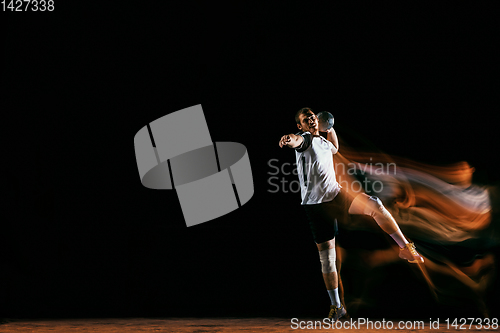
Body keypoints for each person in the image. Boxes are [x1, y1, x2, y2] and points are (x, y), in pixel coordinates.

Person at [278, 107, 424, 321]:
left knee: (375, 204)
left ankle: (405, 248)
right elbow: (295, 141)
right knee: (327, 259)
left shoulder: (324, 143)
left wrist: (330, 128)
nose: (310, 118)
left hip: (335, 196)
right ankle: (337, 307)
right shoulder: (305, 139)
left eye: (312, 115)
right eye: (305, 118)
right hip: (315, 206)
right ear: (300, 126)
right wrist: (288, 139)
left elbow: (335, 147)